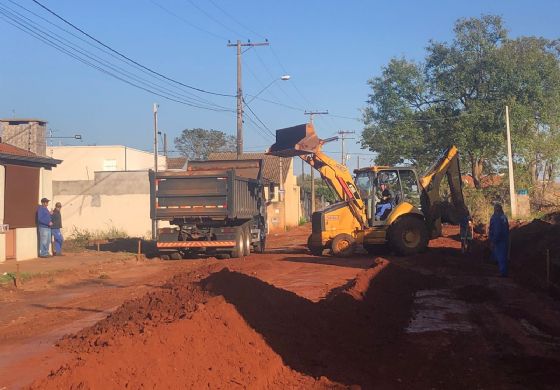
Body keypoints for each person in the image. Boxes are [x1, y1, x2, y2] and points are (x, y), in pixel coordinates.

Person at [489, 203, 509, 277]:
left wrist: (493, 241)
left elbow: (497, 230)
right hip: (504, 240)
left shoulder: (496, 218)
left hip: (499, 240)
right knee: (502, 256)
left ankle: (503, 273)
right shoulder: (503, 217)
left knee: (501, 257)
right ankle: (502, 271)